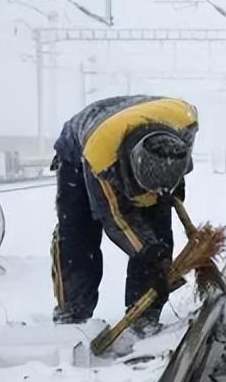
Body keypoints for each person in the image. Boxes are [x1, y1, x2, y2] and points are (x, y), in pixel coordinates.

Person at [51, 95, 197, 335]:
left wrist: (172, 190)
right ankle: (73, 313)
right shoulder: (101, 157)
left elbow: (180, 170)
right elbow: (117, 220)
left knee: (158, 233)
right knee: (78, 234)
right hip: (79, 152)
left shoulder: (186, 120)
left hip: (146, 120)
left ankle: (143, 315)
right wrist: (149, 254)